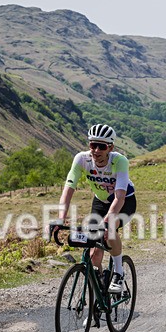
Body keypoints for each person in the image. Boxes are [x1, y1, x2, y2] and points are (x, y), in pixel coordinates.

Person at [54, 124, 136, 294]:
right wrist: (61, 218)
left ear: (110, 147)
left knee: (110, 228)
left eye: (102, 146)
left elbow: (120, 197)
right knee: (93, 251)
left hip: (124, 201)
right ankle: (97, 294)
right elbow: (68, 191)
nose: (96, 150)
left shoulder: (119, 161)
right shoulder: (81, 159)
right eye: (93, 145)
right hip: (100, 202)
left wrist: (107, 221)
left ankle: (119, 273)